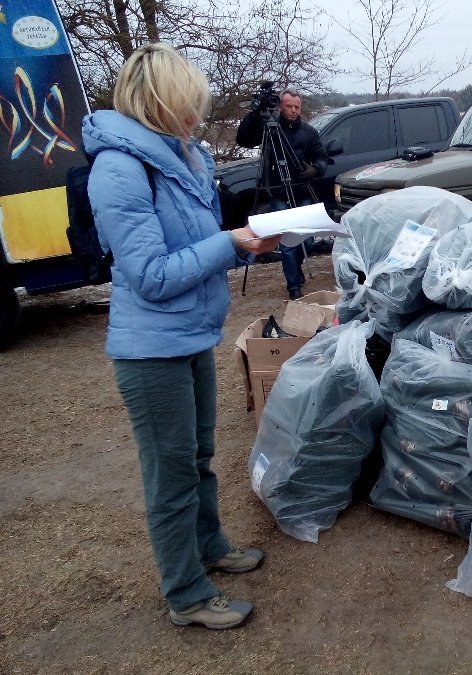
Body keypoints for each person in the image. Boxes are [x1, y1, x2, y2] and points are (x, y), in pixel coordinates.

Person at [81, 43, 280, 630]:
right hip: (150, 352)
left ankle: (210, 547)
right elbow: (151, 275)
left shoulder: (181, 158)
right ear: (157, 102)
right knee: (170, 477)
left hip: (190, 337)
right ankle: (186, 594)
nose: (196, 115)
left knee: (197, 458)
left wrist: (247, 240)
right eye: (186, 103)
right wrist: (229, 243)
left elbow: (194, 245)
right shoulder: (120, 169)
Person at [236, 86, 328, 300]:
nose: (293, 110)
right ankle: (293, 287)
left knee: (306, 241)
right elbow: (244, 140)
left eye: (297, 107)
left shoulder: (309, 132)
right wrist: (255, 114)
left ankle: (297, 268)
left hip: (303, 192)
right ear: (280, 106)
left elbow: (323, 158)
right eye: (289, 106)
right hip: (279, 193)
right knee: (287, 243)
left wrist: (315, 169)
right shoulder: (269, 129)